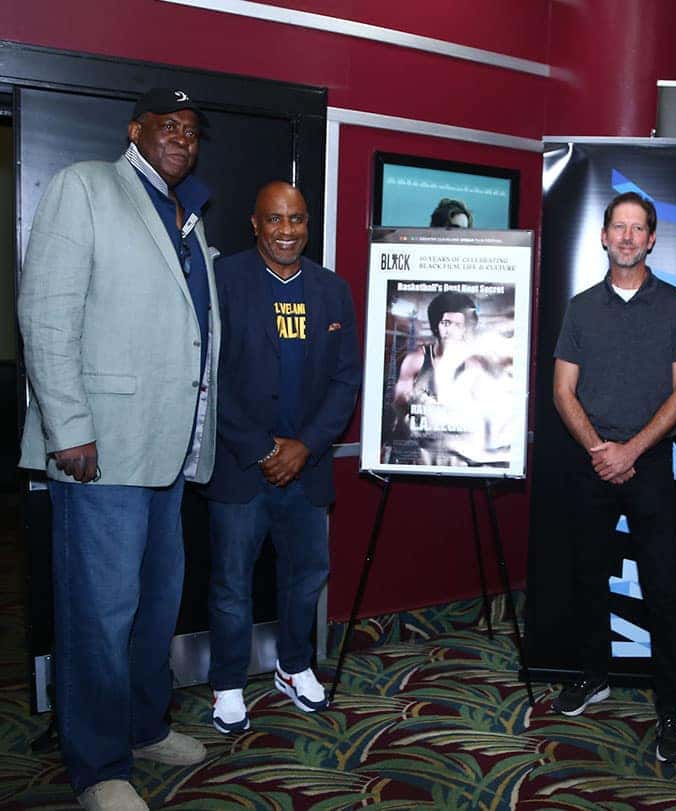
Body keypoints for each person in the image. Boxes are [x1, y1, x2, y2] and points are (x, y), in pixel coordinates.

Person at [17, 88, 219, 811]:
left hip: (168, 453)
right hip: (99, 451)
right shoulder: (85, 188)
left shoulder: (187, 218)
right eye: (168, 126)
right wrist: (67, 425)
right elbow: (45, 314)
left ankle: (142, 726)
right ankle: (98, 764)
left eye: (192, 132)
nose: (181, 139)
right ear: (136, 130)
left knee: (155, 605)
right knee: (99, 612)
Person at [550, 191, 676, 764]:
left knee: (664, 590)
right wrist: (599, 449)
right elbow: (563, 390)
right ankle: (595, 675)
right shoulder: (581, 307)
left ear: (653, 239)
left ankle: (671, 708)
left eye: (639, 229)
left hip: (649, 466)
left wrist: (632, 450)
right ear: (604, 236)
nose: (628, 237)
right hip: (591, 463)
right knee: (587, 577)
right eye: (619, 227)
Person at [203, 181, 360, 734]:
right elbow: (208, 376)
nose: (286, 230)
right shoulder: (223, 282)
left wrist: (306, 446)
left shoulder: (332, 290)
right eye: (274, 220)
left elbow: (346, 382)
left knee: (306, 577)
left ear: (307, 223)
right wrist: (262, 447)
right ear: (255, 224)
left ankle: (293, 668)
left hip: (307, 470)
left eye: (295, 219)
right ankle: (227, 682)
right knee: (230, 584)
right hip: (241, 468)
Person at [390, 290, 513, 466]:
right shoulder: (416, 360)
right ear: (436, 324)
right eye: (446, 323)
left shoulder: (476, 364)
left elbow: (490, 418)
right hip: (421, 453)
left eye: (458, 325)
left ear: (466, 328)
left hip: (463, 455)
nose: (451, 330)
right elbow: (399, 410)